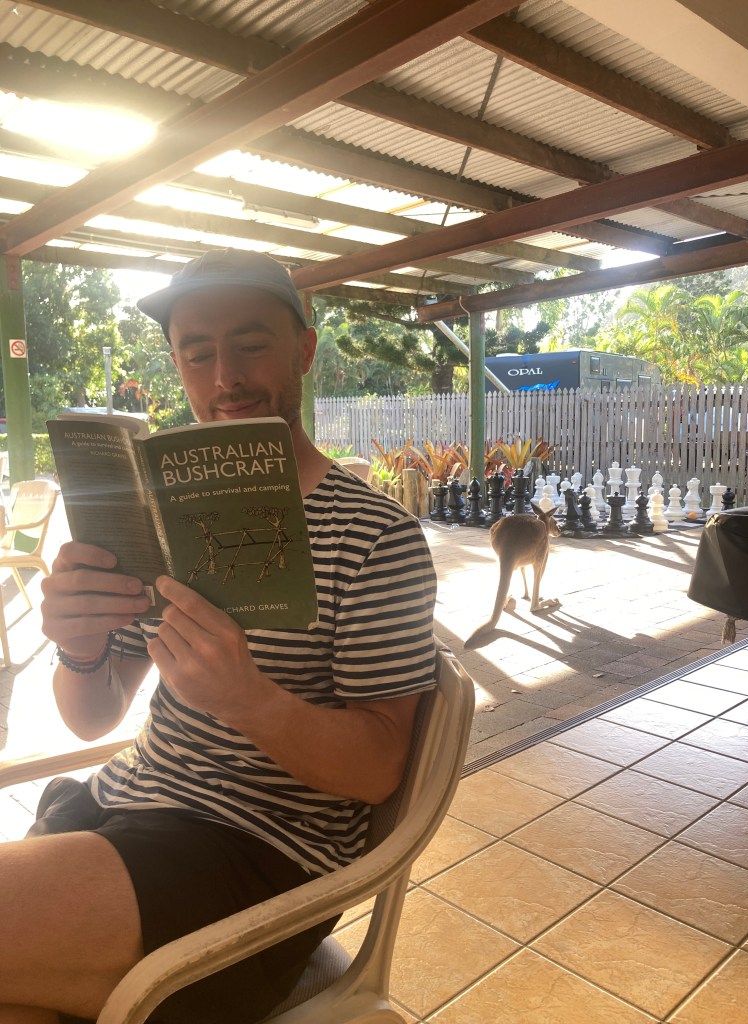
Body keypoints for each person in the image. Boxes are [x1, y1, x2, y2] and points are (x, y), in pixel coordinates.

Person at [0, 250, 437, 1024]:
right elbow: (93, 718)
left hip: (254, 856)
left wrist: (246, 699)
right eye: (197, 353)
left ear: (304, 350)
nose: (226, 376)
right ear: (177, 364)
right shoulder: (160, 519)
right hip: (117, 804)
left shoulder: (375, 537)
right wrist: (79, 645)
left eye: (252, 344)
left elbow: (379, 770)